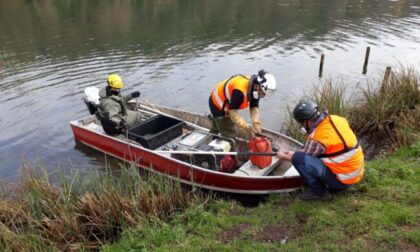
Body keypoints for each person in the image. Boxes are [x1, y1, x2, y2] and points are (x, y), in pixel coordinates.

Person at [277, 100, 365, 201]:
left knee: (297, 159)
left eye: (301, 122)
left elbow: (302, 157)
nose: (301, 126)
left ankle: (319, 193)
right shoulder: (337, 119)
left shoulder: (317, 139)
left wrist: (283, 156)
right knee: (301, 156)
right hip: (356, 173)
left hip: (343, 181)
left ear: (308, 121)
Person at [208, 70, 276, 138]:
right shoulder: (239, 91)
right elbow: (233, 113)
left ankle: (210, 137)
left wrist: (256, 123)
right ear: (258, 86)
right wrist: (246, 126)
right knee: (229, 134)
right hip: (217, 104)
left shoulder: (254, 87)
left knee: (217, 126)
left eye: (264, 94)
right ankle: (226, 142)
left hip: (225, 100)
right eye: (262, 93)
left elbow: (254, 106)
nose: (262, 95)